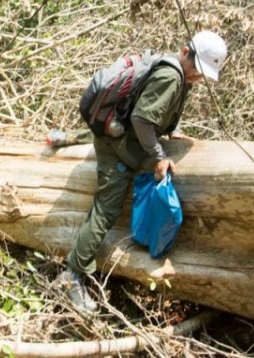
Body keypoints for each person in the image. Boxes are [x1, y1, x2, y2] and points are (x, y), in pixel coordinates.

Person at [56, 30, 228, 314]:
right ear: (185, 51)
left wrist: (171, 131)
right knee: (107, 209)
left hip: (122, 131)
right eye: (198, 69)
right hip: (117, 143)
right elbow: (141, 119)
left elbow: (149, 110)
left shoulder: (177, 74)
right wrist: (159, 157)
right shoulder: (172, 77)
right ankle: (71, 275)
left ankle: (73, 136)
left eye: (203, 73)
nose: (199, 76)